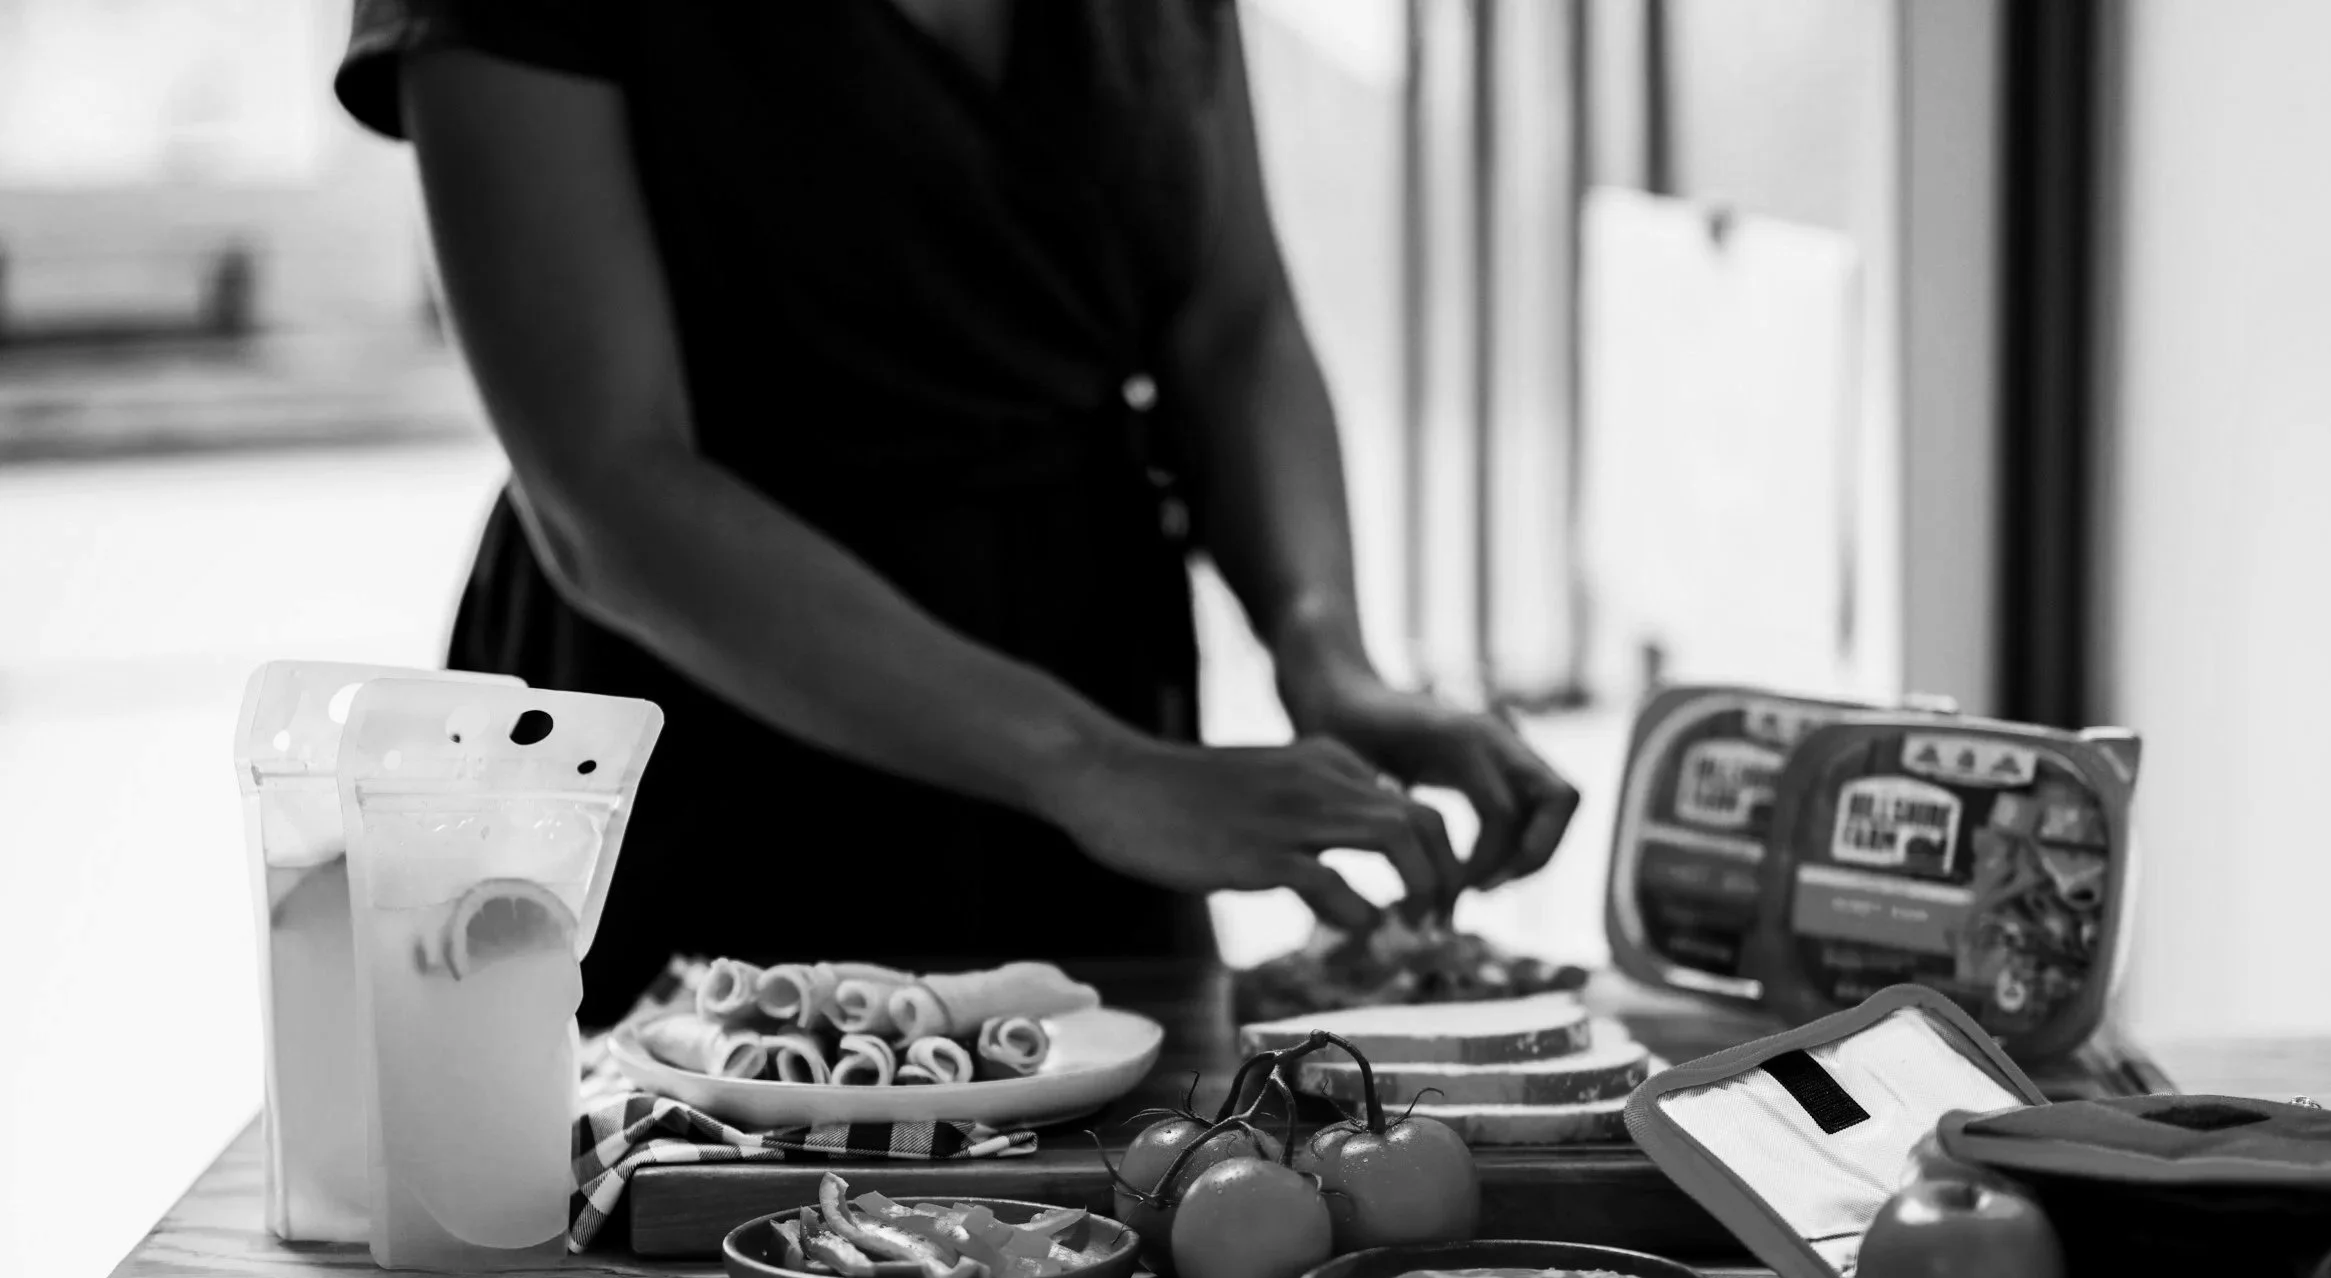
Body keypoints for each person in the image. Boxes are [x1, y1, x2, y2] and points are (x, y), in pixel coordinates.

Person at [335, 0, 1579, 1026]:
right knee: (689, 1240)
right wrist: (1091, 766)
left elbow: (1230, 324)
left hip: (1095, 713)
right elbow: (607, 487)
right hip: (700, 735)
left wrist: (1326, 652)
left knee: (1120, 1230)